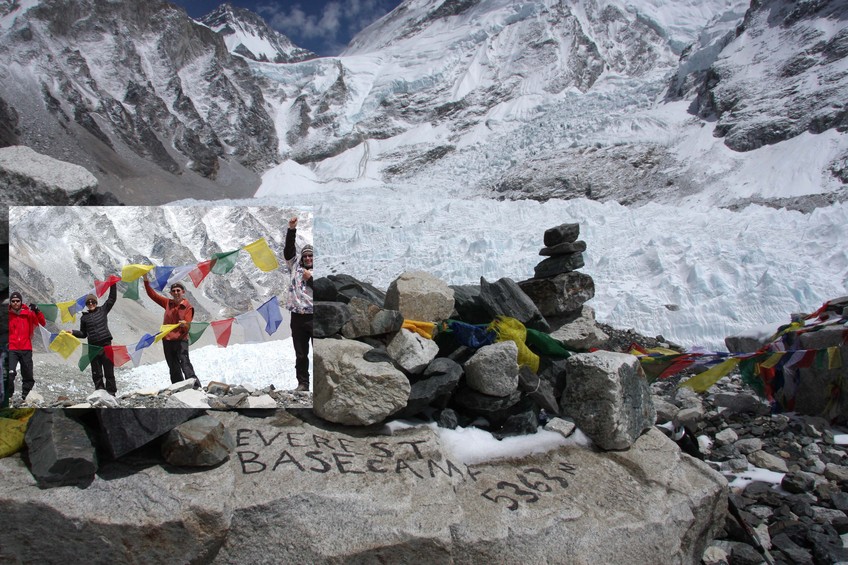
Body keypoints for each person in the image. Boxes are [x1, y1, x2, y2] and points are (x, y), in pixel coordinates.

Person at [143, 276, 200, 387]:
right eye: (173, 291)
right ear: (171, 293)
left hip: (181, 340)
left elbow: (188, 325)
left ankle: (195, 386)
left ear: (183, 292)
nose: (176, 292)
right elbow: (152, 295)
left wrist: (185, 324)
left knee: (185, 364)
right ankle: (178, 387)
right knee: (173, 366)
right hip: (167, 340)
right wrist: (145, 279)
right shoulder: (168, 303)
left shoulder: (188, 307)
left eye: (178, 290)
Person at [69, 285, 118, 394]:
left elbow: (112, 299)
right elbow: (83, 334)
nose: (91, 304)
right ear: (86, 305)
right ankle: (100, 391)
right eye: (88, 303)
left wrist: (113, 284)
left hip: (106, 345)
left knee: (109, 371)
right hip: (93, 347)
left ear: (96, 302)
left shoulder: (103, 310)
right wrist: (73, 332)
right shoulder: (84, 318)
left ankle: (111, 393)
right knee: (96, 373)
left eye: (93, 302)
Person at [284, 217, 313, 392]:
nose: (308, 258)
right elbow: (288, 250)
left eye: (311, 255)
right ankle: (303, 383)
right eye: (306, 255)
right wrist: (292, 229)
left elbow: (325, 291)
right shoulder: (295, 266)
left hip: (314, 316)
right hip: (297, 316)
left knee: (318, 354)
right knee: (301, 354)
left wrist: (311, 280)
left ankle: (321, 384)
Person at [7, 292, 46, 404]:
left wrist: (37, 311)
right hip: (11, 348)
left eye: (17, 301)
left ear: (21, 301)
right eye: (13, 301)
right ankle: (9, 396)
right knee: (9, 373)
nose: (15, 303)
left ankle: (26, 396)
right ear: (10, 302)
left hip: (26, 348)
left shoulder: (28, 314)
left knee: (28, 373)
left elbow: (42, 323)